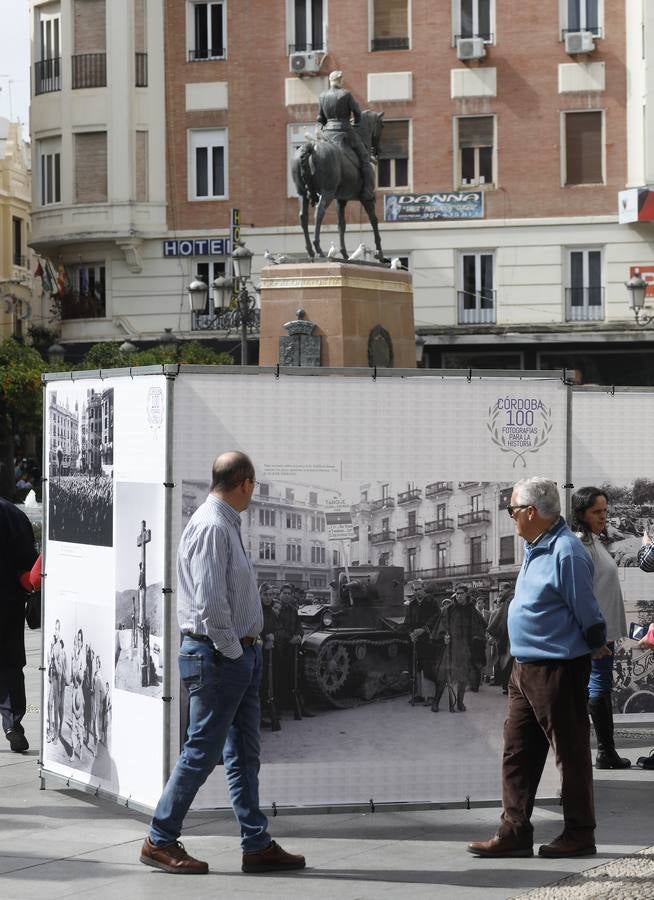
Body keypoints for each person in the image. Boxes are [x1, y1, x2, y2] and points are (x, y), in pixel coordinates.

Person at [140, 452, 305, 875]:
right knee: (201, 752)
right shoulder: (214, 526)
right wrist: (237, 654)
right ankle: (159, 839)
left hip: (233, 656)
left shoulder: (225, 523)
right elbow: (212, 606)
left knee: (244, 754)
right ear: (245, 483)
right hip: (219, 656)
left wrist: (246, 653)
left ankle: (256, 844)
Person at [468, 477, 609, 860]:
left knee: (571, 753)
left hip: (557, 668)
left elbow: (588, 611)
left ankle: (580, 832)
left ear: (531, 512)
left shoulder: (566, 551)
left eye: (513, 510)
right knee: (517, 753)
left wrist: (595, 645)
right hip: (525, 667)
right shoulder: (537, 546)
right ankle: (514, 832)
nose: (511, 516)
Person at [570, 487, 630, 769]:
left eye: (605, 511)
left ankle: (603, 751)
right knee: (597, 686)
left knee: (600, 687)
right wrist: (593, 636)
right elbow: (580, 595)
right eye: (597, 512)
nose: (603, 516)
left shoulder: (594, 541)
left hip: (603, 632)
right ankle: (605, 752)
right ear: (581, 513)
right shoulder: (580, 545)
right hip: (596, 635)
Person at [0, 495, 38, 753]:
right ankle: (13, 725)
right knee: (10, 664)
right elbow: (31, 566)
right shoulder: (14, 514)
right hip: (8, 602)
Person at [317, 70, 375, 200]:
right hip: (345, 131)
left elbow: (320, 117)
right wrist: (357, 122)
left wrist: (325, 126)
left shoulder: (322, 96)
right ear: (339, 80)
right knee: (365, 157)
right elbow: (357, 113)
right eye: (341, 79)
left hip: (327, 133)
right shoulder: (346, 94)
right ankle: (367, 190)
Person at [432, 585, 486, 712]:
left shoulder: (472, 610)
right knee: (442, 677)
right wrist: (444, 636)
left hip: (465, 650)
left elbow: (482, 625)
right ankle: (436, 702)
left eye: (461, 593)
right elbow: (442, 625)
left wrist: (476, 638)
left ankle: (460, 703)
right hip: (449, 648)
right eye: (457, 593)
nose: (458, 595)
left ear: (467, 594)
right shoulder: (449, 609)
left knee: (463, 678)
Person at [403, 580, 440, 706]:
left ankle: (430, 695)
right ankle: (418, 694)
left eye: (419, 589)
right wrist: (411, 633)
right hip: (415, 640)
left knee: (428, 667)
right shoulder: (411, 605)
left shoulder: (432, 603)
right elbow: (407, 622)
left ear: (423, 589)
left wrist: (423, 629)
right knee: (415, 668)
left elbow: (436, 617)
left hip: (428, 640)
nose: (417, 591)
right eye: (415, 589)